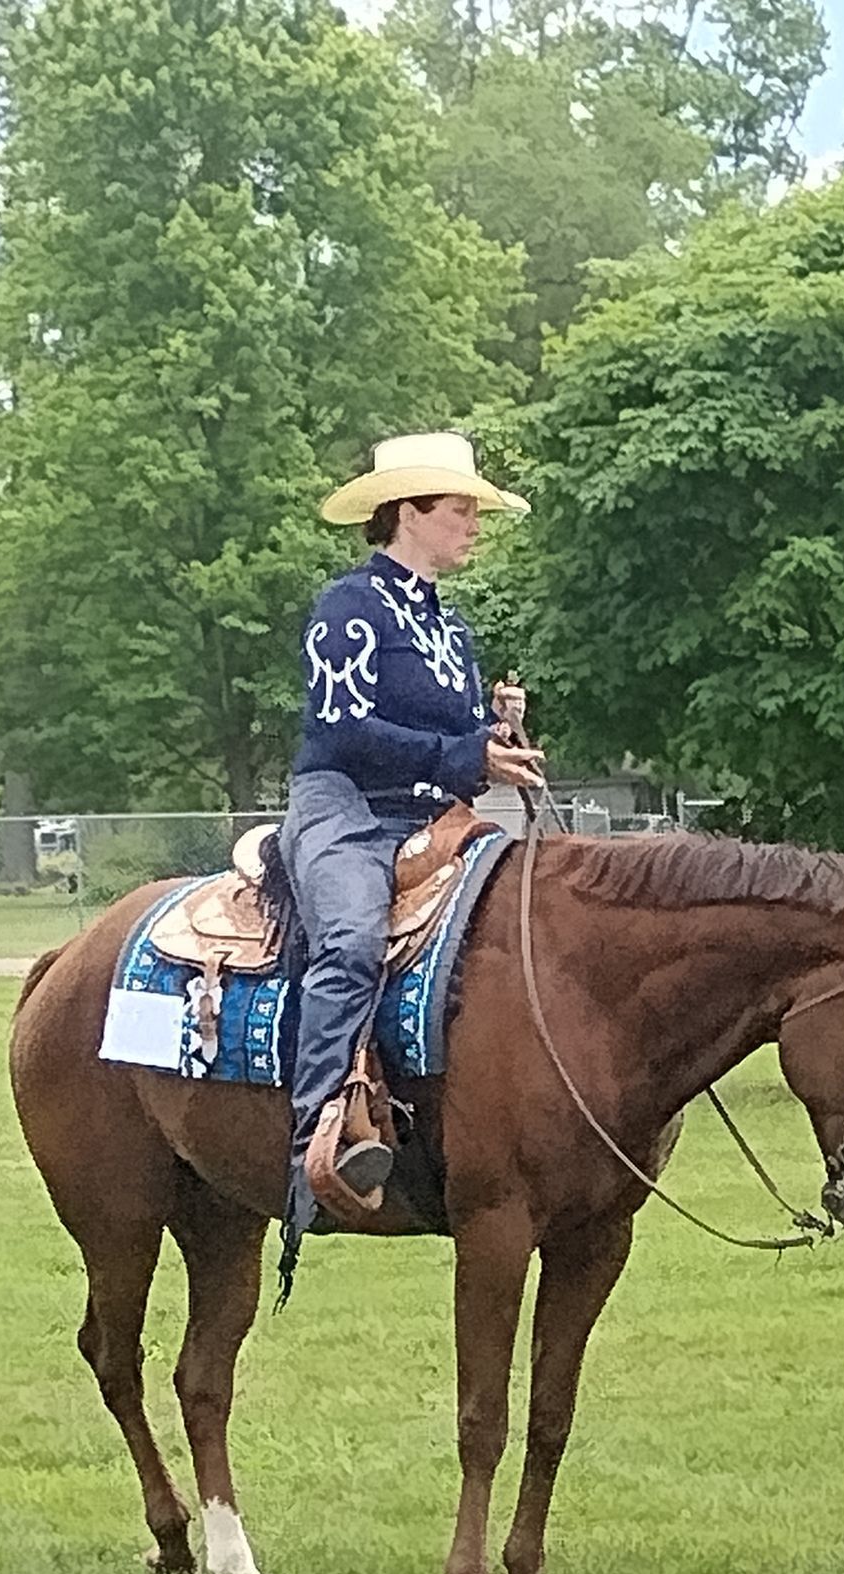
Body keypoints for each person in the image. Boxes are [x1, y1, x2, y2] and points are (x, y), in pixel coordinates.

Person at [282, 432, 545, 1214]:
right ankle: (317, 1148)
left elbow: (454, 747)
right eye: (461, 509)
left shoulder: (451, 630)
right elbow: (342, 730)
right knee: (350, 944)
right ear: (409, 512)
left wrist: (495, 740)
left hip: (438, 819)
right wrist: (463, 751)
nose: (474, 524)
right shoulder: (349, 607)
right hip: (347, 810)